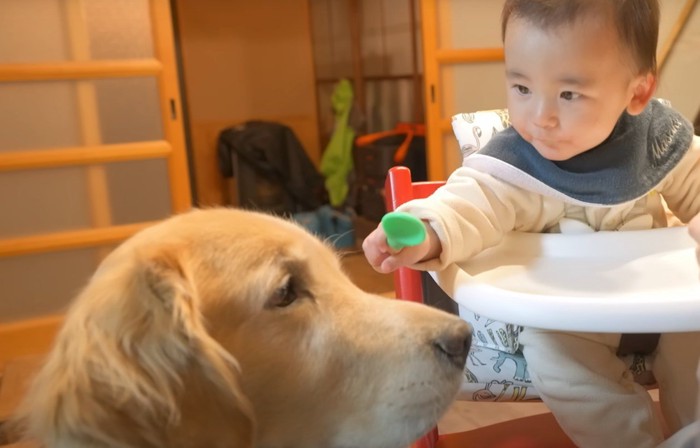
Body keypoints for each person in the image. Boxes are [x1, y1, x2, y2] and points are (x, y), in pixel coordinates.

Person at [363, 0, 700, 446]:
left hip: (664, 306)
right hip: (568, 316)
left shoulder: (657, 141)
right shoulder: (516, 162)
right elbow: (469, 202)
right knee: (557, 360)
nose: (540, 117)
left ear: (637, 93)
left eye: (568, 94)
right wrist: (426, 231)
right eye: (521, 87)